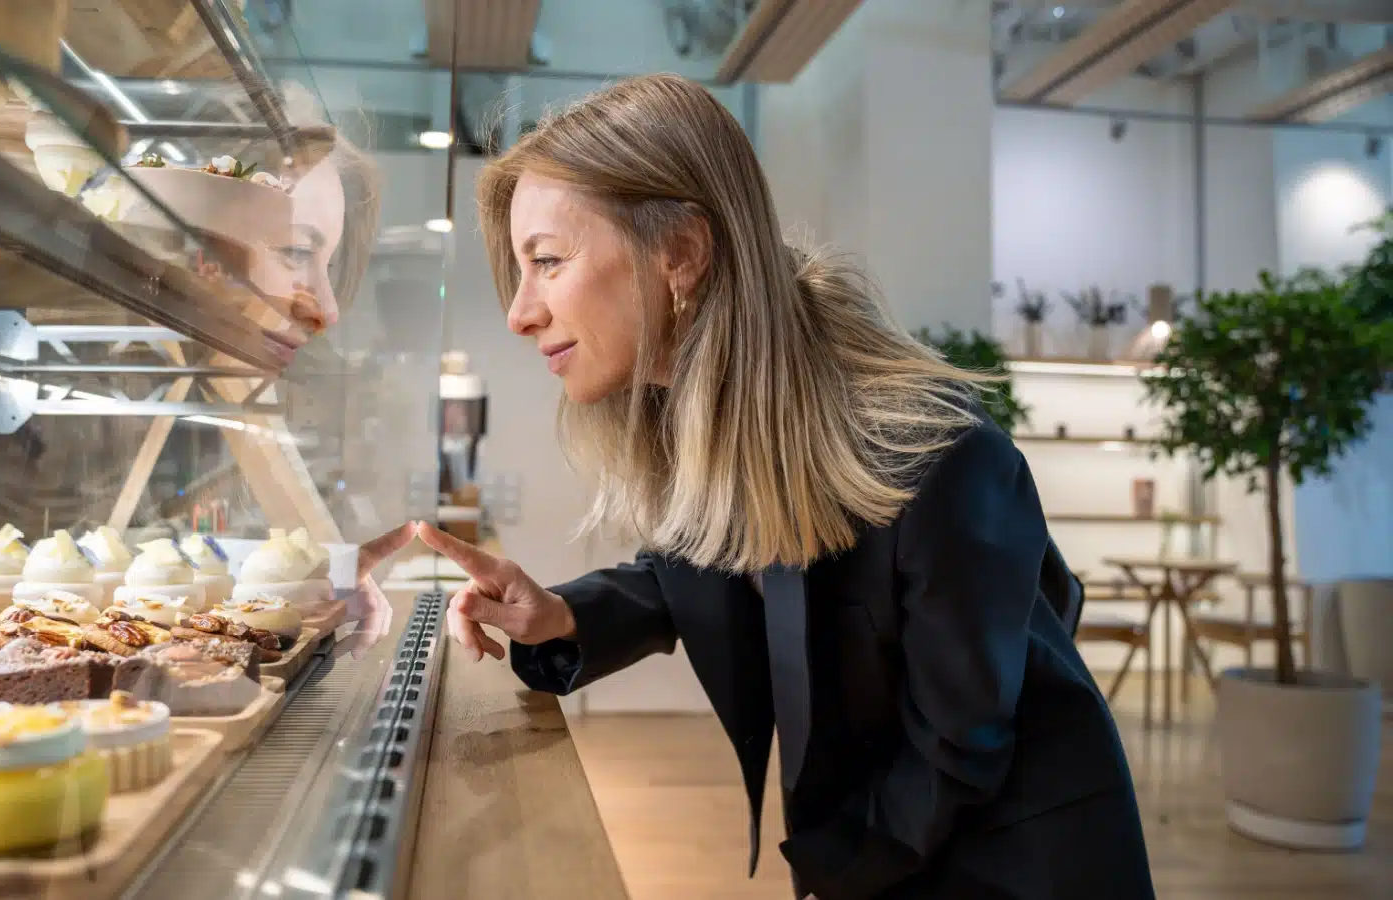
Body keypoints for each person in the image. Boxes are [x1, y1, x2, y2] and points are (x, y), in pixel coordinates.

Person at [417, 74, 1156, 900]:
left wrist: (838, 874)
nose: (520, 312)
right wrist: (561, 613)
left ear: (683, 253)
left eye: (546, 262)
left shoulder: (930, 452)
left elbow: (960, 747)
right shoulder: (723, 421)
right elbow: (695, 561)